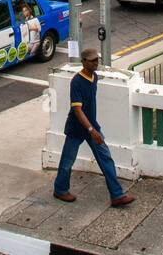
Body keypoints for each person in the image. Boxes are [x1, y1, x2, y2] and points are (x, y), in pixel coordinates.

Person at [52, 46, 134, 208]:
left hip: (92, 127)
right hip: (77, 128)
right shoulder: (77, 82)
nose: (96, 63)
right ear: (83, 62)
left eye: (97, 60)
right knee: (67, 161)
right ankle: (60, 189)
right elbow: (77, 109)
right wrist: (91, 130)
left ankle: (117, 195)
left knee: (106, 159)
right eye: (92, 61)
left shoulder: (94, 77)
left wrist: (93, 128)